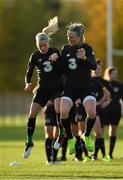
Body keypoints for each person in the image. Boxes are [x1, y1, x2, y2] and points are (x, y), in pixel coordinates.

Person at [23, 17, 63, 158]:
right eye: (41, 46)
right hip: (43, 88)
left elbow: (62, 69)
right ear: (37, 45)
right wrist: (27, 83)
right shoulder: (34, 56)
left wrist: (56, 58)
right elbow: (29, 72)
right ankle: (29, 142)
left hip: (56, 88)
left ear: (48, 43)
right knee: (32, 113)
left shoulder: (55, 51)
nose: (43, 48)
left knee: (59, 110)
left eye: (45, 45)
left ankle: (61, 135)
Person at [54, 23, 97, 153]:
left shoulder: (87, 48)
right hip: (70, 88)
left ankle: (87, 135)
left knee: (91, 111)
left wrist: (84, 58)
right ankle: (71, 138)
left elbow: (94, 66)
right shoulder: (66, 49)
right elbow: (62, 69)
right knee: (63, 111)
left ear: (80, 37)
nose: (69, 39)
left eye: (72, 37)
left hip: (85, 87)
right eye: (68, 36)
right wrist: (56, 60)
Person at [103, 66, 123, 159]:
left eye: (116, 73)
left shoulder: (120, 85)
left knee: (113, 131)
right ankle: (97, 154)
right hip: (105, 111)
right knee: (100, 132)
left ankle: (110, 154)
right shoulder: (104, 84)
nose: (116, 75)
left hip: (116, 111)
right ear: (109, 74)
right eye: (114, 73)